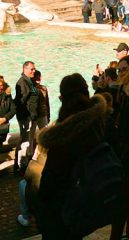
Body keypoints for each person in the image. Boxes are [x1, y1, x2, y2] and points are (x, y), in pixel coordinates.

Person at [32, 73, 109, 239]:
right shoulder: (99, 123)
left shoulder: (62, 135)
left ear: (63, 99)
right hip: (85, 201)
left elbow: (50, 181)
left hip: (62, 208)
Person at [14, 61, 40, 171]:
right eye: (32, 69)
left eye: (34, 69)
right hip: (27, 117)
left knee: (28, 140)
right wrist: (26, 118)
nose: (34, 71)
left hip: (31, 116)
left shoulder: (29, 81)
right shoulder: (22, 82)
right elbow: (21, 101)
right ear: (25, 69)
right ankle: (20, 165)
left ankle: (23, 164)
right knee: (24, 141)